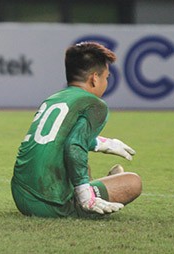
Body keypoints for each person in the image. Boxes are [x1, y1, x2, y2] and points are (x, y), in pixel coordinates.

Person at [11, 41, 142, 218]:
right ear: (94, 78)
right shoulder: (95, 105)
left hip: (20, 194)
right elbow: (74, 145)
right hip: (49, 203)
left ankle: (96, 184)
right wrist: (85, 196)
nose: (106, 82)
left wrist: (104, 143)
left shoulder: (55, 98)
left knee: (82, 167)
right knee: (133, 182)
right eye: (106, 77)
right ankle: (89, 193)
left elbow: (61, 138)